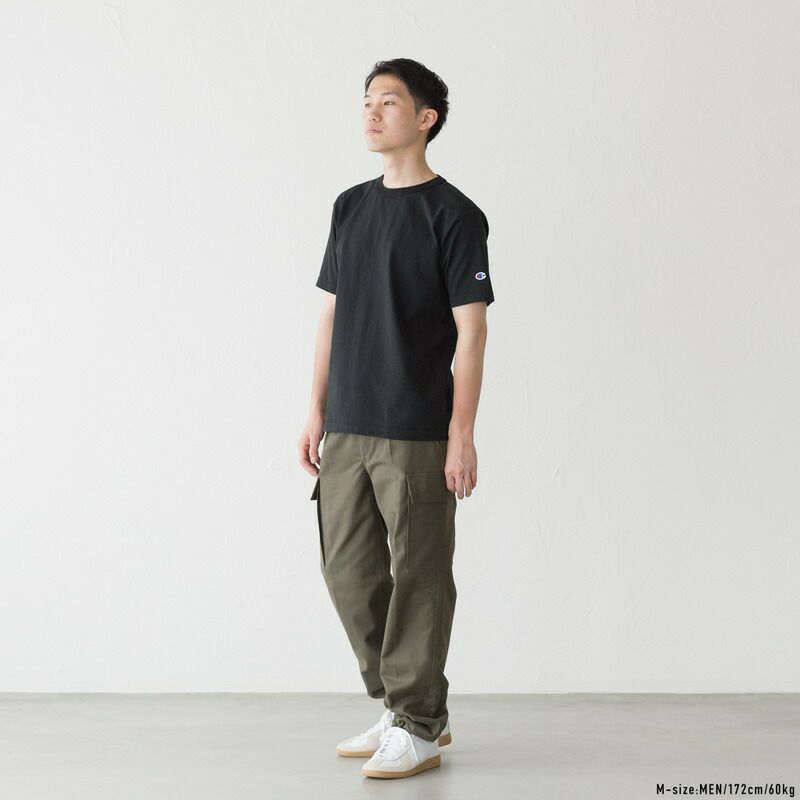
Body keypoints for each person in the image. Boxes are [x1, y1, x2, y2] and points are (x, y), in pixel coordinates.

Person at [298, 57, 496, 780]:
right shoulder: (349, 207)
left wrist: (461, 433)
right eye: (366, 101)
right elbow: (330, 315)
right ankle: (404, 705)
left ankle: (417, 723)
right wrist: (315, 409)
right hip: (349, 422)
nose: (371, 112)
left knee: (419, 574)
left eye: (387, 101)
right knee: (347, 571)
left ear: (425, 118)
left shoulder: (456, 215)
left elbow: (471, 331)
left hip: (417, 427)